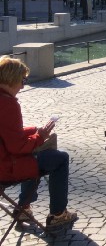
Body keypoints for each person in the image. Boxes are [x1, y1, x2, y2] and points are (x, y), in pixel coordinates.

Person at [0, 57, 78, 230]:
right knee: (60, 158)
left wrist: (34, 130)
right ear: (12, 79)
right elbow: (18, 147)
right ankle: (57, 214)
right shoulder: (8, 104)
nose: (22, 85)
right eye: (23, 80)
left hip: (4, 158)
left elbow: (8, 134)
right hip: (5, 167)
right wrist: (40, 136)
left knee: (38, 152)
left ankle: (24, 207)